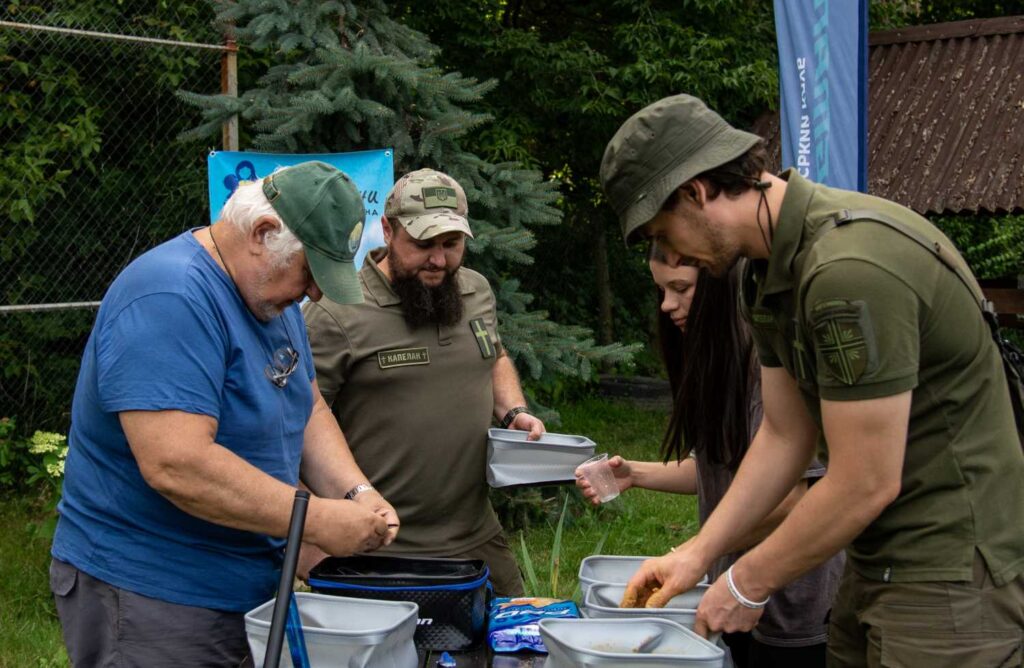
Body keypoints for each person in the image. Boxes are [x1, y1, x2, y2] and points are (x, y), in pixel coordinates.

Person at [599, 93, 1024, 666]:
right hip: (876, 557)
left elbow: (866, 479)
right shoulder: (766, 272)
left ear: (694, 193)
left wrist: (747, 581)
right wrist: (698, 554)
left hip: (952, 571)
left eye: (662, 231)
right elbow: (783, 436)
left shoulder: (846, 270)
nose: (669, 252)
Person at [50, 161, 401, 667]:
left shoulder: (268, 299)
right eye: (311, 272)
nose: (316, 293)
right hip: (155, 593)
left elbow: (305, 404)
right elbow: (178, 464)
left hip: (243, 583)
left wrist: (357, 493)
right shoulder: (170, 297)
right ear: (263, 232)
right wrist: (317, 520)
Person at [576, 246, 842, 667]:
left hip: (793, 604)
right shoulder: (720, 361)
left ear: (723, 286)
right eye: (661, 290)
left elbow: (792, 497)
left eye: (680, 289)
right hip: (732, 593)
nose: (667, 305)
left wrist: (694, 550)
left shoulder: (766, 370)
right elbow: (724, 470)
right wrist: (637, 474)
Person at [302, 168, 544, 596]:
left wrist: (515, 411)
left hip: (475, 534)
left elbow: (493, 355)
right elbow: (294, 421)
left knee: (514, 651)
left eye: (451, 245)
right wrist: (311, 541)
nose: (438, 260)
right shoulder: (339, 312)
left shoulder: (474, 291)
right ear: (387, 231)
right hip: (381, 546)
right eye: (422, 245)